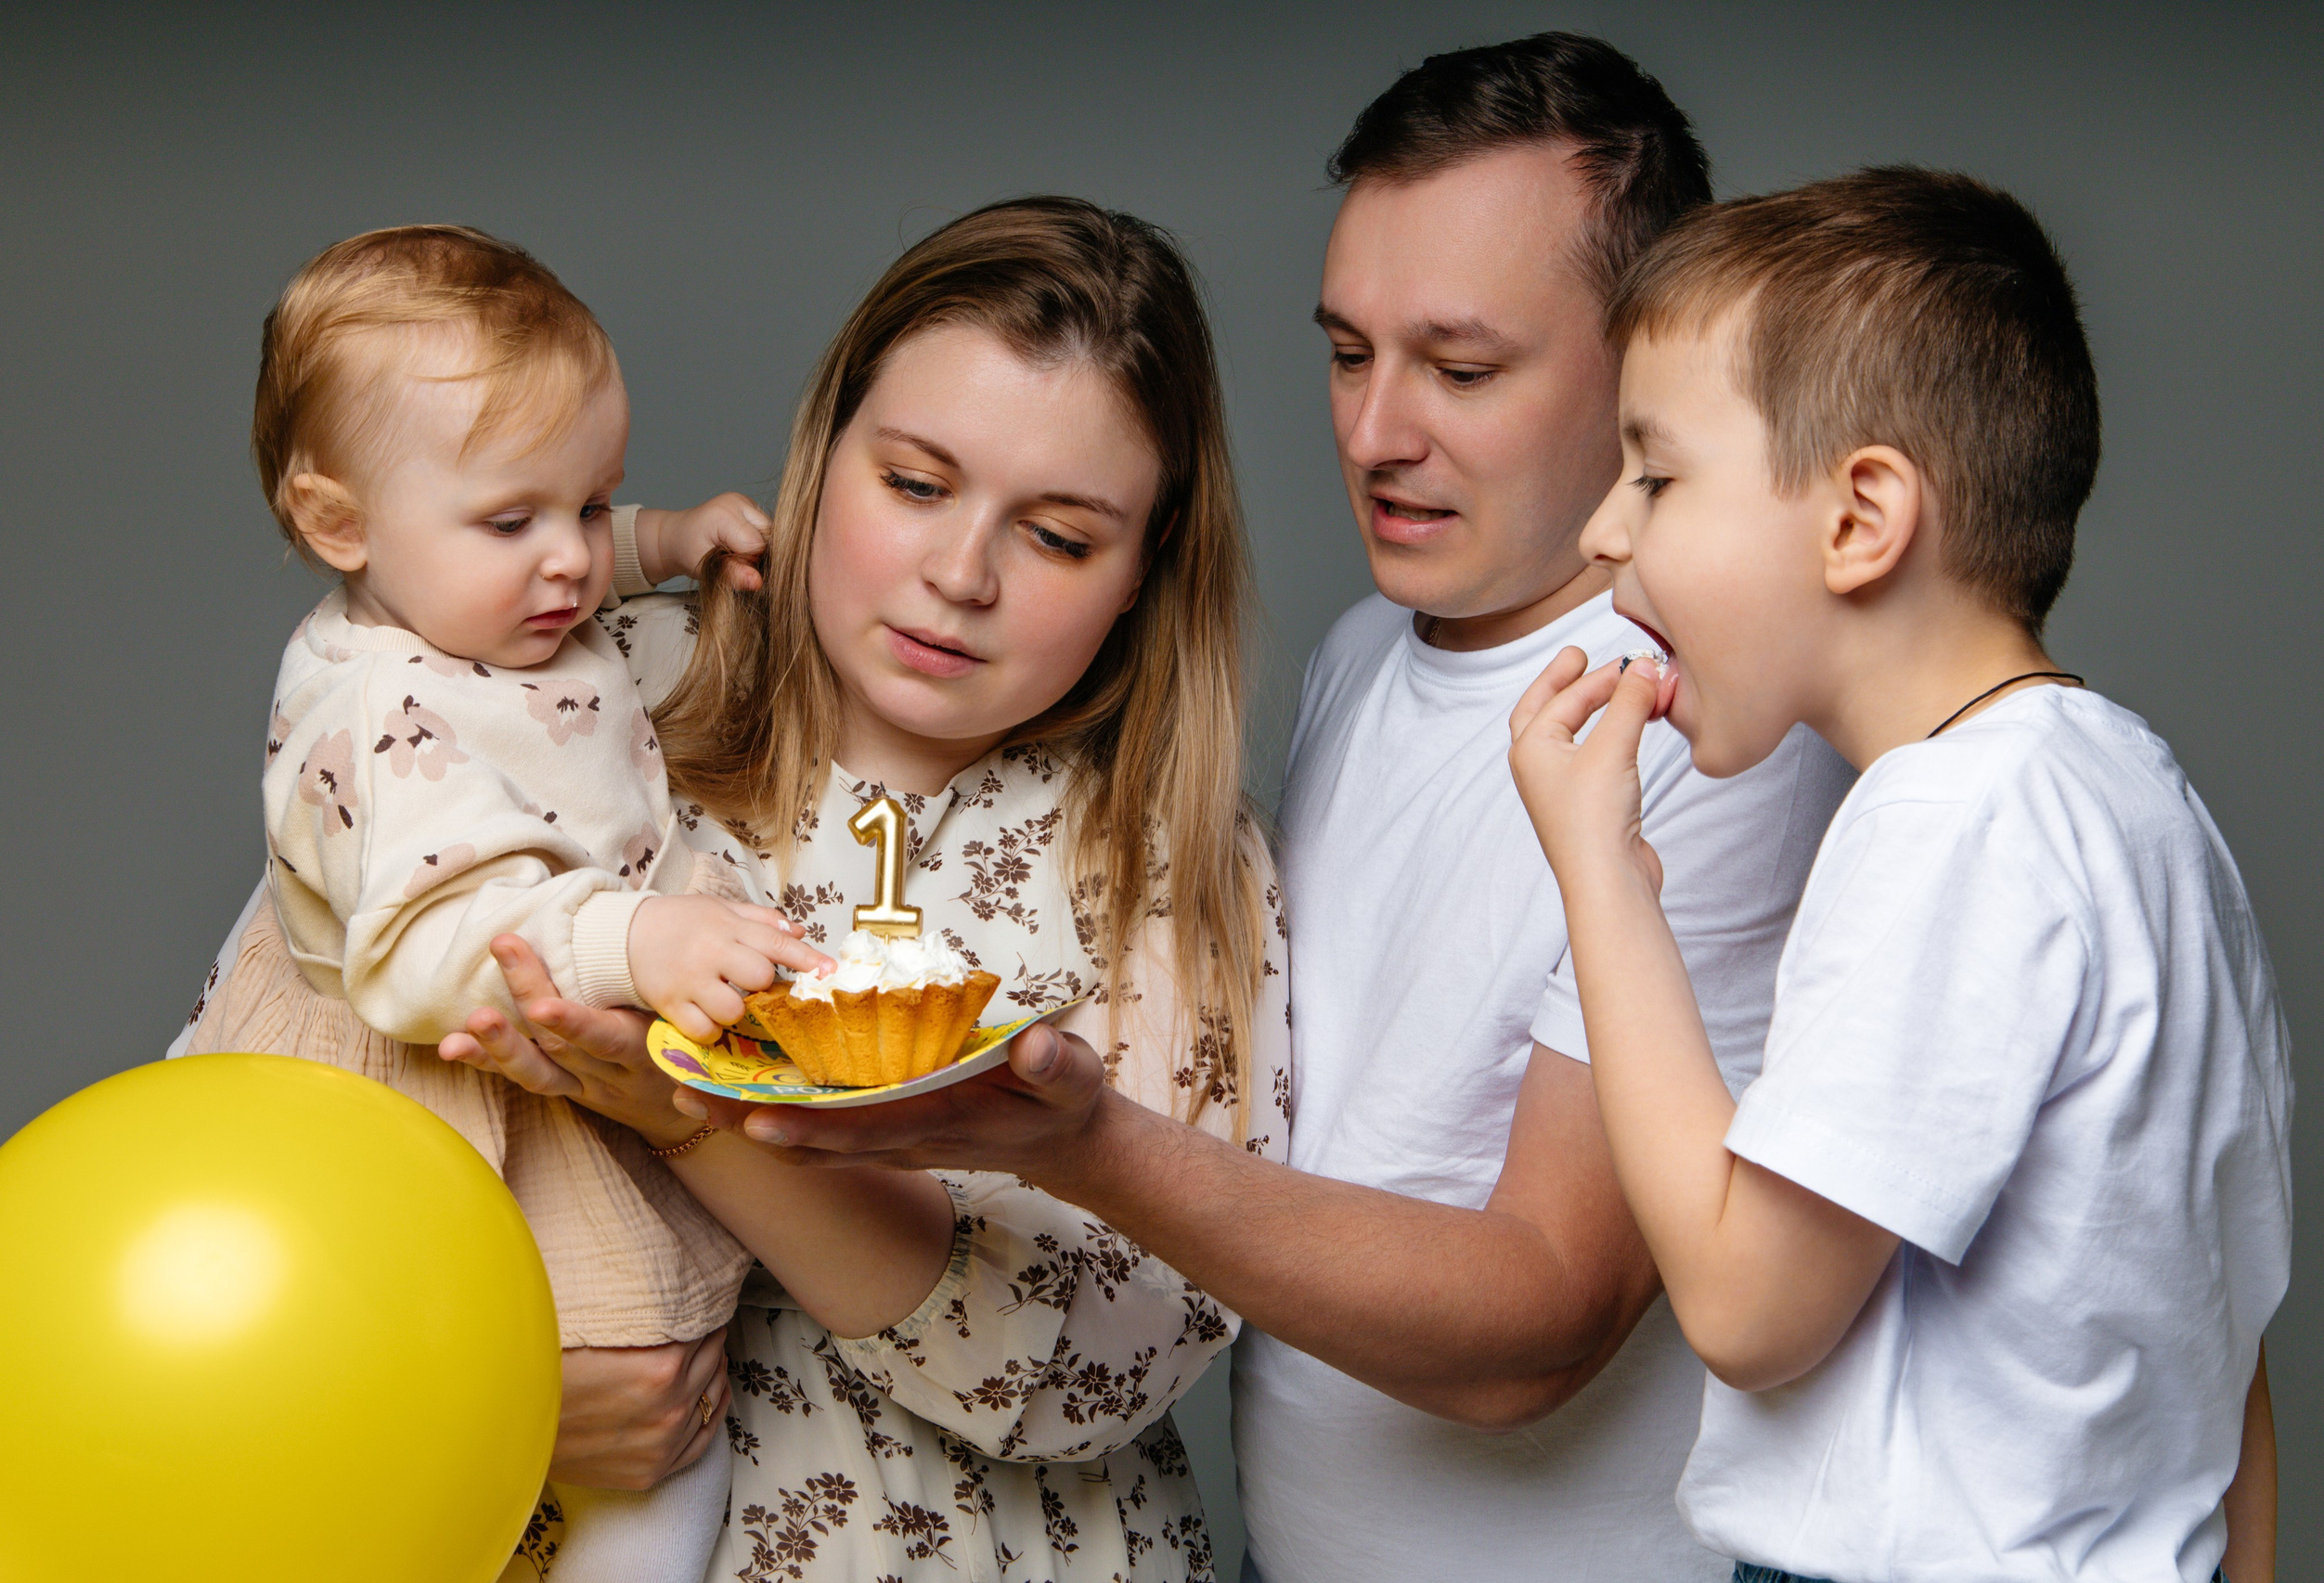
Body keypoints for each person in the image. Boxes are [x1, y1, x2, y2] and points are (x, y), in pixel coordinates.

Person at [659, 35, 1857, 1581]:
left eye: (1465, 369)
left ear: (1647, 368)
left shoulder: (1699, 721)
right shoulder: (1372, 655)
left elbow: (1541, 1323)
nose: (1373, 433)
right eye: (1352, 354)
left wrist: (1084, 1140)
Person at [438, 194, 1294, 1580]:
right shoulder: (575, 693)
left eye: (1062, 536)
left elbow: (1095, 1364)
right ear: (826, 447)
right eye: (914, 482)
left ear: (1146, 571)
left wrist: (690, 1115)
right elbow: (300, 1084)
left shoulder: (1170, 850)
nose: (960, 575)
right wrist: (490, 1397)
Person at [1506, 167, 2288, 1583]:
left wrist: (1602, 875)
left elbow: (1748, 1305)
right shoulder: (2141, 802)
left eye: (1657, 474)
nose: (1601, 532)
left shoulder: (1952, 820)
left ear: (1862, 518)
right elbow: (2218, 1348)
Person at [183, 223, 824, 1583]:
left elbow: (581, 554)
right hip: (435, 1082)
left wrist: (672, 536)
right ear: (338, 523)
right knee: (617, 1408)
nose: (574, 564)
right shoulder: (379, 715)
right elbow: (432, 951)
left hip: (537, 1048)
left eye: (594, 504)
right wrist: (638, 936)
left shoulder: (490, 603)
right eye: (515, 520)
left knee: (652, 1433)